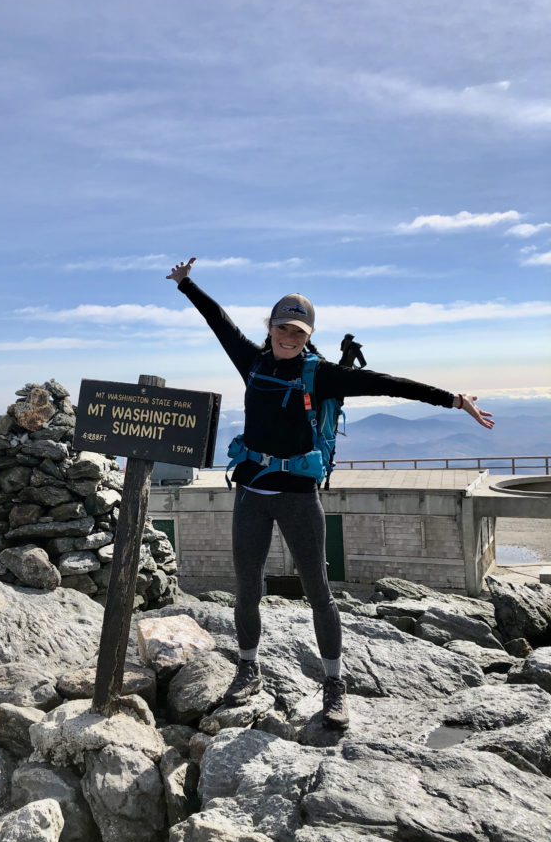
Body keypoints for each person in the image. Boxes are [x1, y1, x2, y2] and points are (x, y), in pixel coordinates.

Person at [166, 257, 494, 729]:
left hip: (300, 496)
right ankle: (248, 667)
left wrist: (454, 400)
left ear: (307, 335)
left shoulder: (320, 374)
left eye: (298, 332)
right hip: (253, 493)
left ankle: (334, 685)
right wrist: (186, 285)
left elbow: (387, 384)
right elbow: (219, 321)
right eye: (282, 328)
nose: (289, 337)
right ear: (271, 327)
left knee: (319, 592)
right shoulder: (253, 362)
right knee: (246, 591)